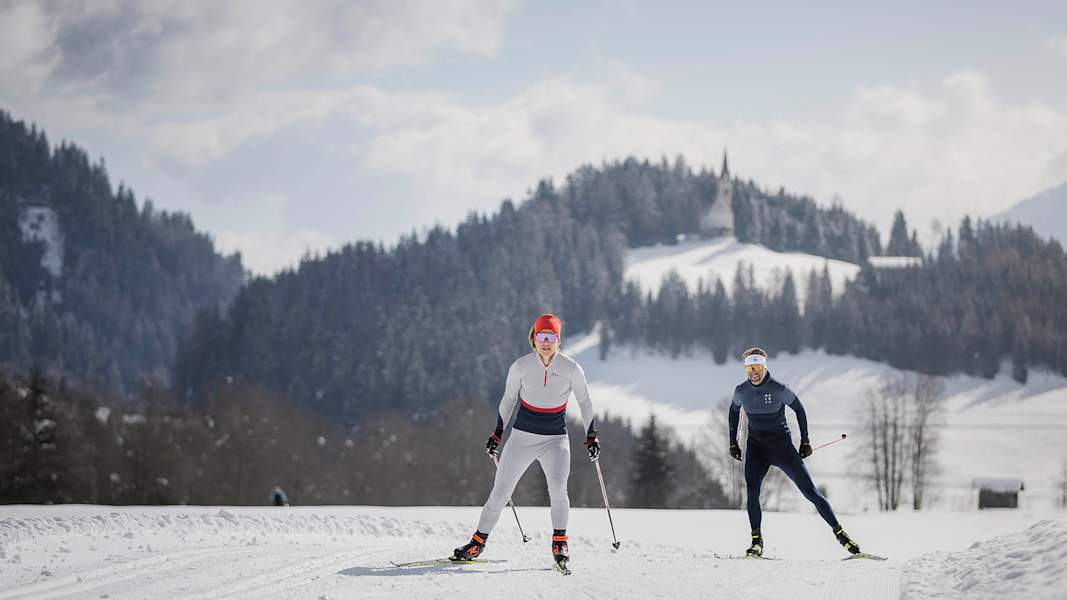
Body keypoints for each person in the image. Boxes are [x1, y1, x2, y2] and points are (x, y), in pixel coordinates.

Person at [453, 313, 599, 569]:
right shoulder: (521, 366)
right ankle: (477, 542)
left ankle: (560, 542)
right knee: (500, 491)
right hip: (521, 437)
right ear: (534, 338)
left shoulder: (570, 368)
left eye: (551, 337)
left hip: (555, 439)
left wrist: (591, 434)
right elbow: (509, 400)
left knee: (557, 487)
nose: (546, 342)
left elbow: (585, 401)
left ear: (558, 340)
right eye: (542, 336)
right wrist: (498, 432)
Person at [728, 347, 860, 557]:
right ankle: (756, 542)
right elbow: (734, 412)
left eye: (758, 367)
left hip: (782, 448)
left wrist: (805, 441)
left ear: (765, 367)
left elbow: (799, 409)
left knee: (811, 493)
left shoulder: (779, 389)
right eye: (749, 368)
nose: (754, 372)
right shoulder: (741, 391)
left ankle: (841, 534)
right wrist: (733, 443)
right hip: (756, 448)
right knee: (752, 493)